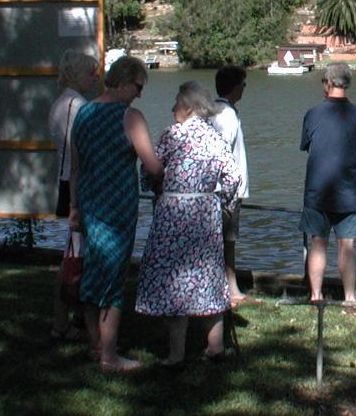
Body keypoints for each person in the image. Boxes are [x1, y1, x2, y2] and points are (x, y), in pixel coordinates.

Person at [134, 81, 241, 366]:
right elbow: (233, 177)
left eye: (177, 103)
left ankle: (176, 354)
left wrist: (156, 188)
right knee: (208, 276)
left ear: (190, 107)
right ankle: (216, 347)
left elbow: (149, 171)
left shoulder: (172, 135)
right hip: (205, 211)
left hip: (174, 211)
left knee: (174, 279)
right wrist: (226, 205)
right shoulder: (215, 138)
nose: (172, 109)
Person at [70, 54, 163, 372]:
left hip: (90, 206)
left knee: (93, 273)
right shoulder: (130, 117)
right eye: (138, 86)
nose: (139, 93)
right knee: (113, 279)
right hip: (117, 209)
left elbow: (76, 167)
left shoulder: (84, 113)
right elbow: (152, 165)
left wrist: (74, 208)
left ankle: (95, 345)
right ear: (123, 82)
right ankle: (110, 356)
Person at [300, 62, 356, 306]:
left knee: (317, 243)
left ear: (328, 83)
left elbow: (308, 146)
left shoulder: (312, 114)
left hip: (317, 192)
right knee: (347, 247)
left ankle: (315, 296)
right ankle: (350, 299)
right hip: (349, 193)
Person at [49, 49, 99, 340]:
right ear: (73, 74)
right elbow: (78, 157)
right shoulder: (76, 106)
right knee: (74, 258)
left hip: (69, 182)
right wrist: (76, 204)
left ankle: (76, 317)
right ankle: (62, 323)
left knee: (77, 255)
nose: (94, 78)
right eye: (89, 72)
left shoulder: (62, 103)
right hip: (75, 187)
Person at [211, 65, 249, 306]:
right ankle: (230, 288)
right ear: (235, 87)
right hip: (226, 192)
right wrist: (228, 192)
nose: (244, 89)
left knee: (226, 240)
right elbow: (223, 153)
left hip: (222, 189)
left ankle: (229, 286)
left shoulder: (215, 111)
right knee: (227, 240)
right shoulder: (227, 115)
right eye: (243, 84)